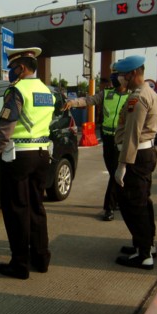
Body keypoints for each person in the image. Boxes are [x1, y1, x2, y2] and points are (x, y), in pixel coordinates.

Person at [0, 47, 55, 280]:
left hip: (19, 157)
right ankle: (41, 259)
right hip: (42, 154)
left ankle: (19, 264)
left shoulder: (16, 91)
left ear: (21, 68)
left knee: (17, 210)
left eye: (11, 68)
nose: (10, 72)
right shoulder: (46, 90)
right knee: (36, 208)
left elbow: (4, 130)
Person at [112, 55, 157, 270]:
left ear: (133, 74)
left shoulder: (137, 98)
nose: (119, 79)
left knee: (134, 205)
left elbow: (133, 133)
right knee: (143, 201)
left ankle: (144, 255)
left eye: (122, 75)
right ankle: (146, 245)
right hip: (145, 153)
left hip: (135, 156)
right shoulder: (150, 92)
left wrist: (122, 165)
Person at [64, 66, 130, 221]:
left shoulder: (132, 95)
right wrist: (73, 103)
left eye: (117, 75)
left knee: (116, 173)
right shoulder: (106, 93)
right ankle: (118, 201)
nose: (114, 78)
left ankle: (109, 208)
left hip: (123, 139)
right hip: (108, 139)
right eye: (112, 75)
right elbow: (89, 100)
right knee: (115, 172)